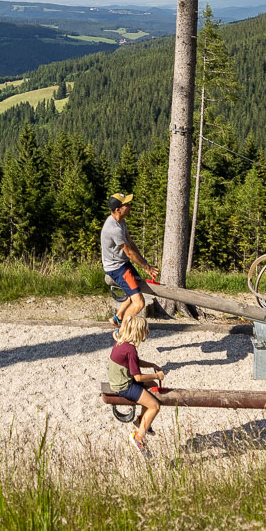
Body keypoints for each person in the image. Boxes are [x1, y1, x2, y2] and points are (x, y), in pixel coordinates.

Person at [108, 313, 166, 451]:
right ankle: (138, 437)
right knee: (155, 406)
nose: (147, 333)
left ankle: (141, 420)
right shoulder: (130, 350)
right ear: (138, 332)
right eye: (145, 331)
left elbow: (134, 362)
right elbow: (138, 378)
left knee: (152, 387)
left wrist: (151, 364)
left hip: (118, 381)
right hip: (124, 387)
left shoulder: (122, 343)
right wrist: (156, 376)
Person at [101, 192, 158, 325]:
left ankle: (117, 318)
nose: (130, 206)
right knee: (139, 303)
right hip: (117, 268)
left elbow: (130, 243)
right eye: (127, 204)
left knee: (136, 288)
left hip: (123, 263)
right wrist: (147, 268)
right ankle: (122, 330)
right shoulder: (113, 228)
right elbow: (129, 253)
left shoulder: (121, 221)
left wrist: (145, 263)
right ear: (118, 209)